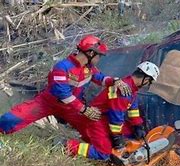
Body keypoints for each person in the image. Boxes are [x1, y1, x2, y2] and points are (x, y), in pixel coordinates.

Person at [0, 34, 131, 134]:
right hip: (48, 103)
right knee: (10, 119)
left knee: (96, 129)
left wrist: (115, 80)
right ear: (91, 53)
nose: (99, 59)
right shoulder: (62, 67)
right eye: (99, 56)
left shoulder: (88, 68)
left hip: (72, 109)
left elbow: (100, 78)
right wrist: (84, 109)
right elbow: (62, 94)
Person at [66, 61, 160, 161]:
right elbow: (116, 116)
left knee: (130, 134)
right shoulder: (124, 91)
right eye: (150, 82)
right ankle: (68, 145)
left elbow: (133, 109)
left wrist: (138, 125)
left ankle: (121, 151)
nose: (148, 85)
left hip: (106, 118)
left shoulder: (130, 88)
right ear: (146, 78)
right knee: (104, 153)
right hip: (96, 119)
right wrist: (117, 137)